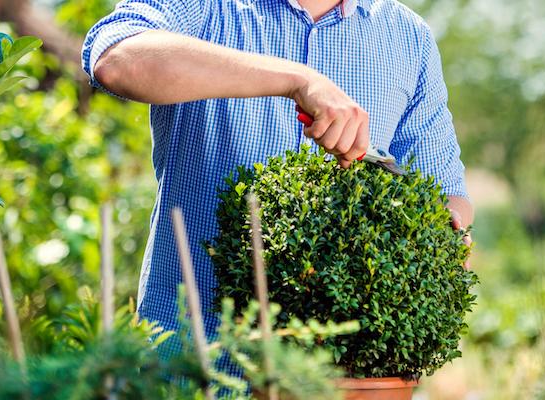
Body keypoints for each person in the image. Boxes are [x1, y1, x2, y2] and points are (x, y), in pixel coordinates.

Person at [81, 0, 473, 373]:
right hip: (195, 357)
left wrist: (444, 231)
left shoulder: (408, 36)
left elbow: (445, 192)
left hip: (338, 378)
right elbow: (117, 60)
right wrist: (297, 79)